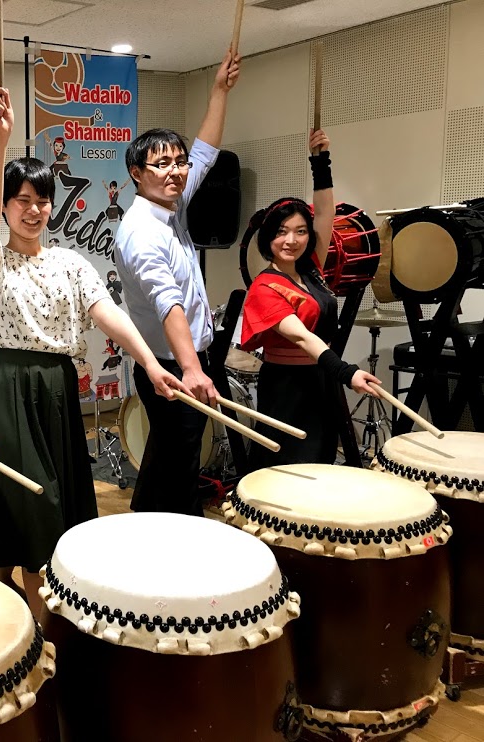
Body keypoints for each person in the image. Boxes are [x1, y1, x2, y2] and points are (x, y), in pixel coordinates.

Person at [0, 86, 189, 617]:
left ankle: (21, 602)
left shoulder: (70, 263)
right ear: (7, 206)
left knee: (57, 497)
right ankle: (28, 616)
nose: (34, 210)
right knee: (26, 498)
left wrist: (151, 363)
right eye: (22, 200)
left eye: (42, 201)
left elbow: (109, 314)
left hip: (57, 386)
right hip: (8, 385)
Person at [114, 49, 240, 517]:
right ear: (137, 174)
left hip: (187, 358)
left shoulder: (172, 204)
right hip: (169, 366)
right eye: (162, 164)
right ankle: (186, 537)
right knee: (182, 463)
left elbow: (205, 152)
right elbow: (168, 304)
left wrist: (219, 90)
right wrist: (192, 369)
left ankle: (143, 519)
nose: (176, 171)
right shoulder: (142, 232)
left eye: (178, 162)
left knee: (167, 452)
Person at [241, 130, 381, 469]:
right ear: (268, 238)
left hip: (320, 380)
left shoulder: (311, 269)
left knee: (320, 462)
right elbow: (303, 337)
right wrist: (347, 372)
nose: (291, 240)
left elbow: (325, 214)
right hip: (286, 388)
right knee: (287, 469)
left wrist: (321, 161)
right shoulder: (264, 287)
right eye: (281, 232)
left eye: (300, 231)